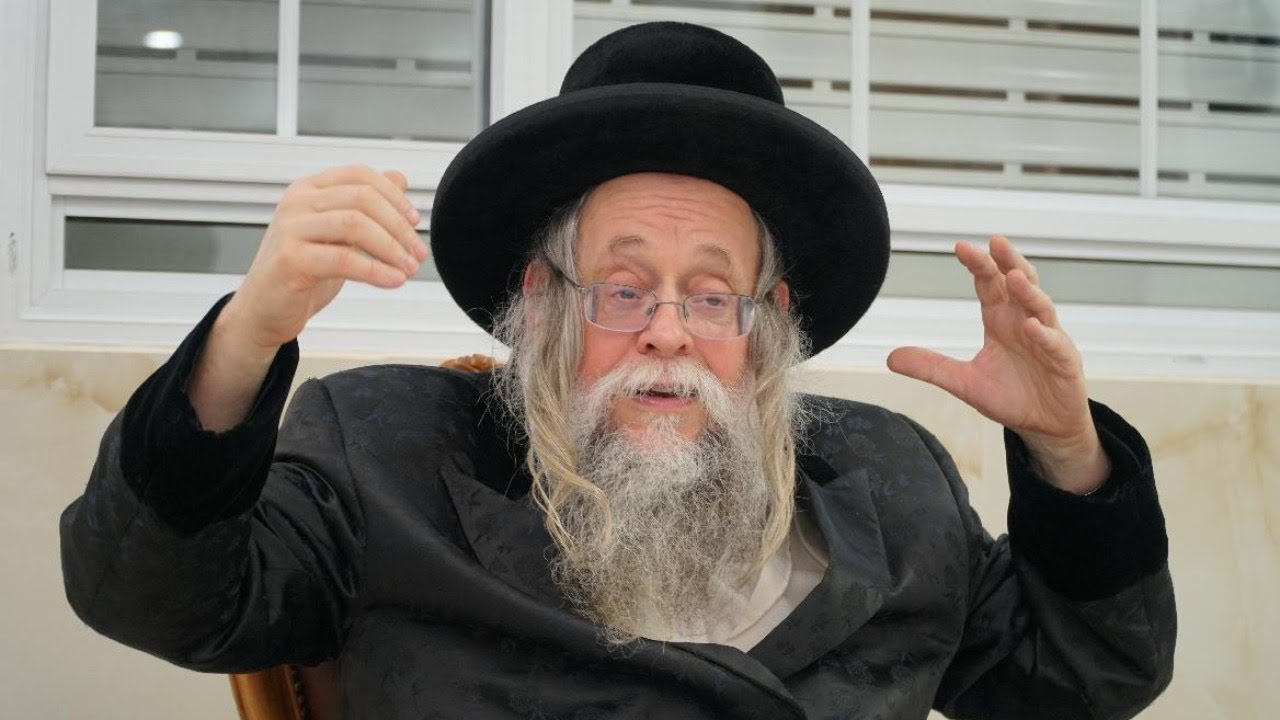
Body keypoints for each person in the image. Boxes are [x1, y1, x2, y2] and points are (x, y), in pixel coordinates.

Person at [61, 22, 1174, 720]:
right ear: (542, 302)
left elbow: (1084, 682)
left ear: (770, 325)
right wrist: (247, 336)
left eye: (712, 295)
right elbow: (148, 595)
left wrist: (1065, 449)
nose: (668, 334)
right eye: (624, 288)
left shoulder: (893, 481)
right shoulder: (388, 448)